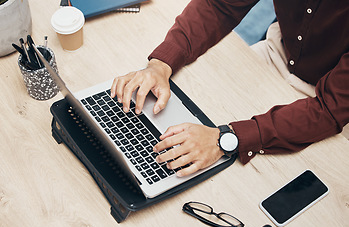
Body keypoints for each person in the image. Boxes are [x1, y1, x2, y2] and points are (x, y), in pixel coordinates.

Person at [111, 0, 349, 177]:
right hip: (278, 50)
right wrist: (161, 64)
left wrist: (225, 138)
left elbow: (329, 109)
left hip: (331, 99)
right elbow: (220, 6)